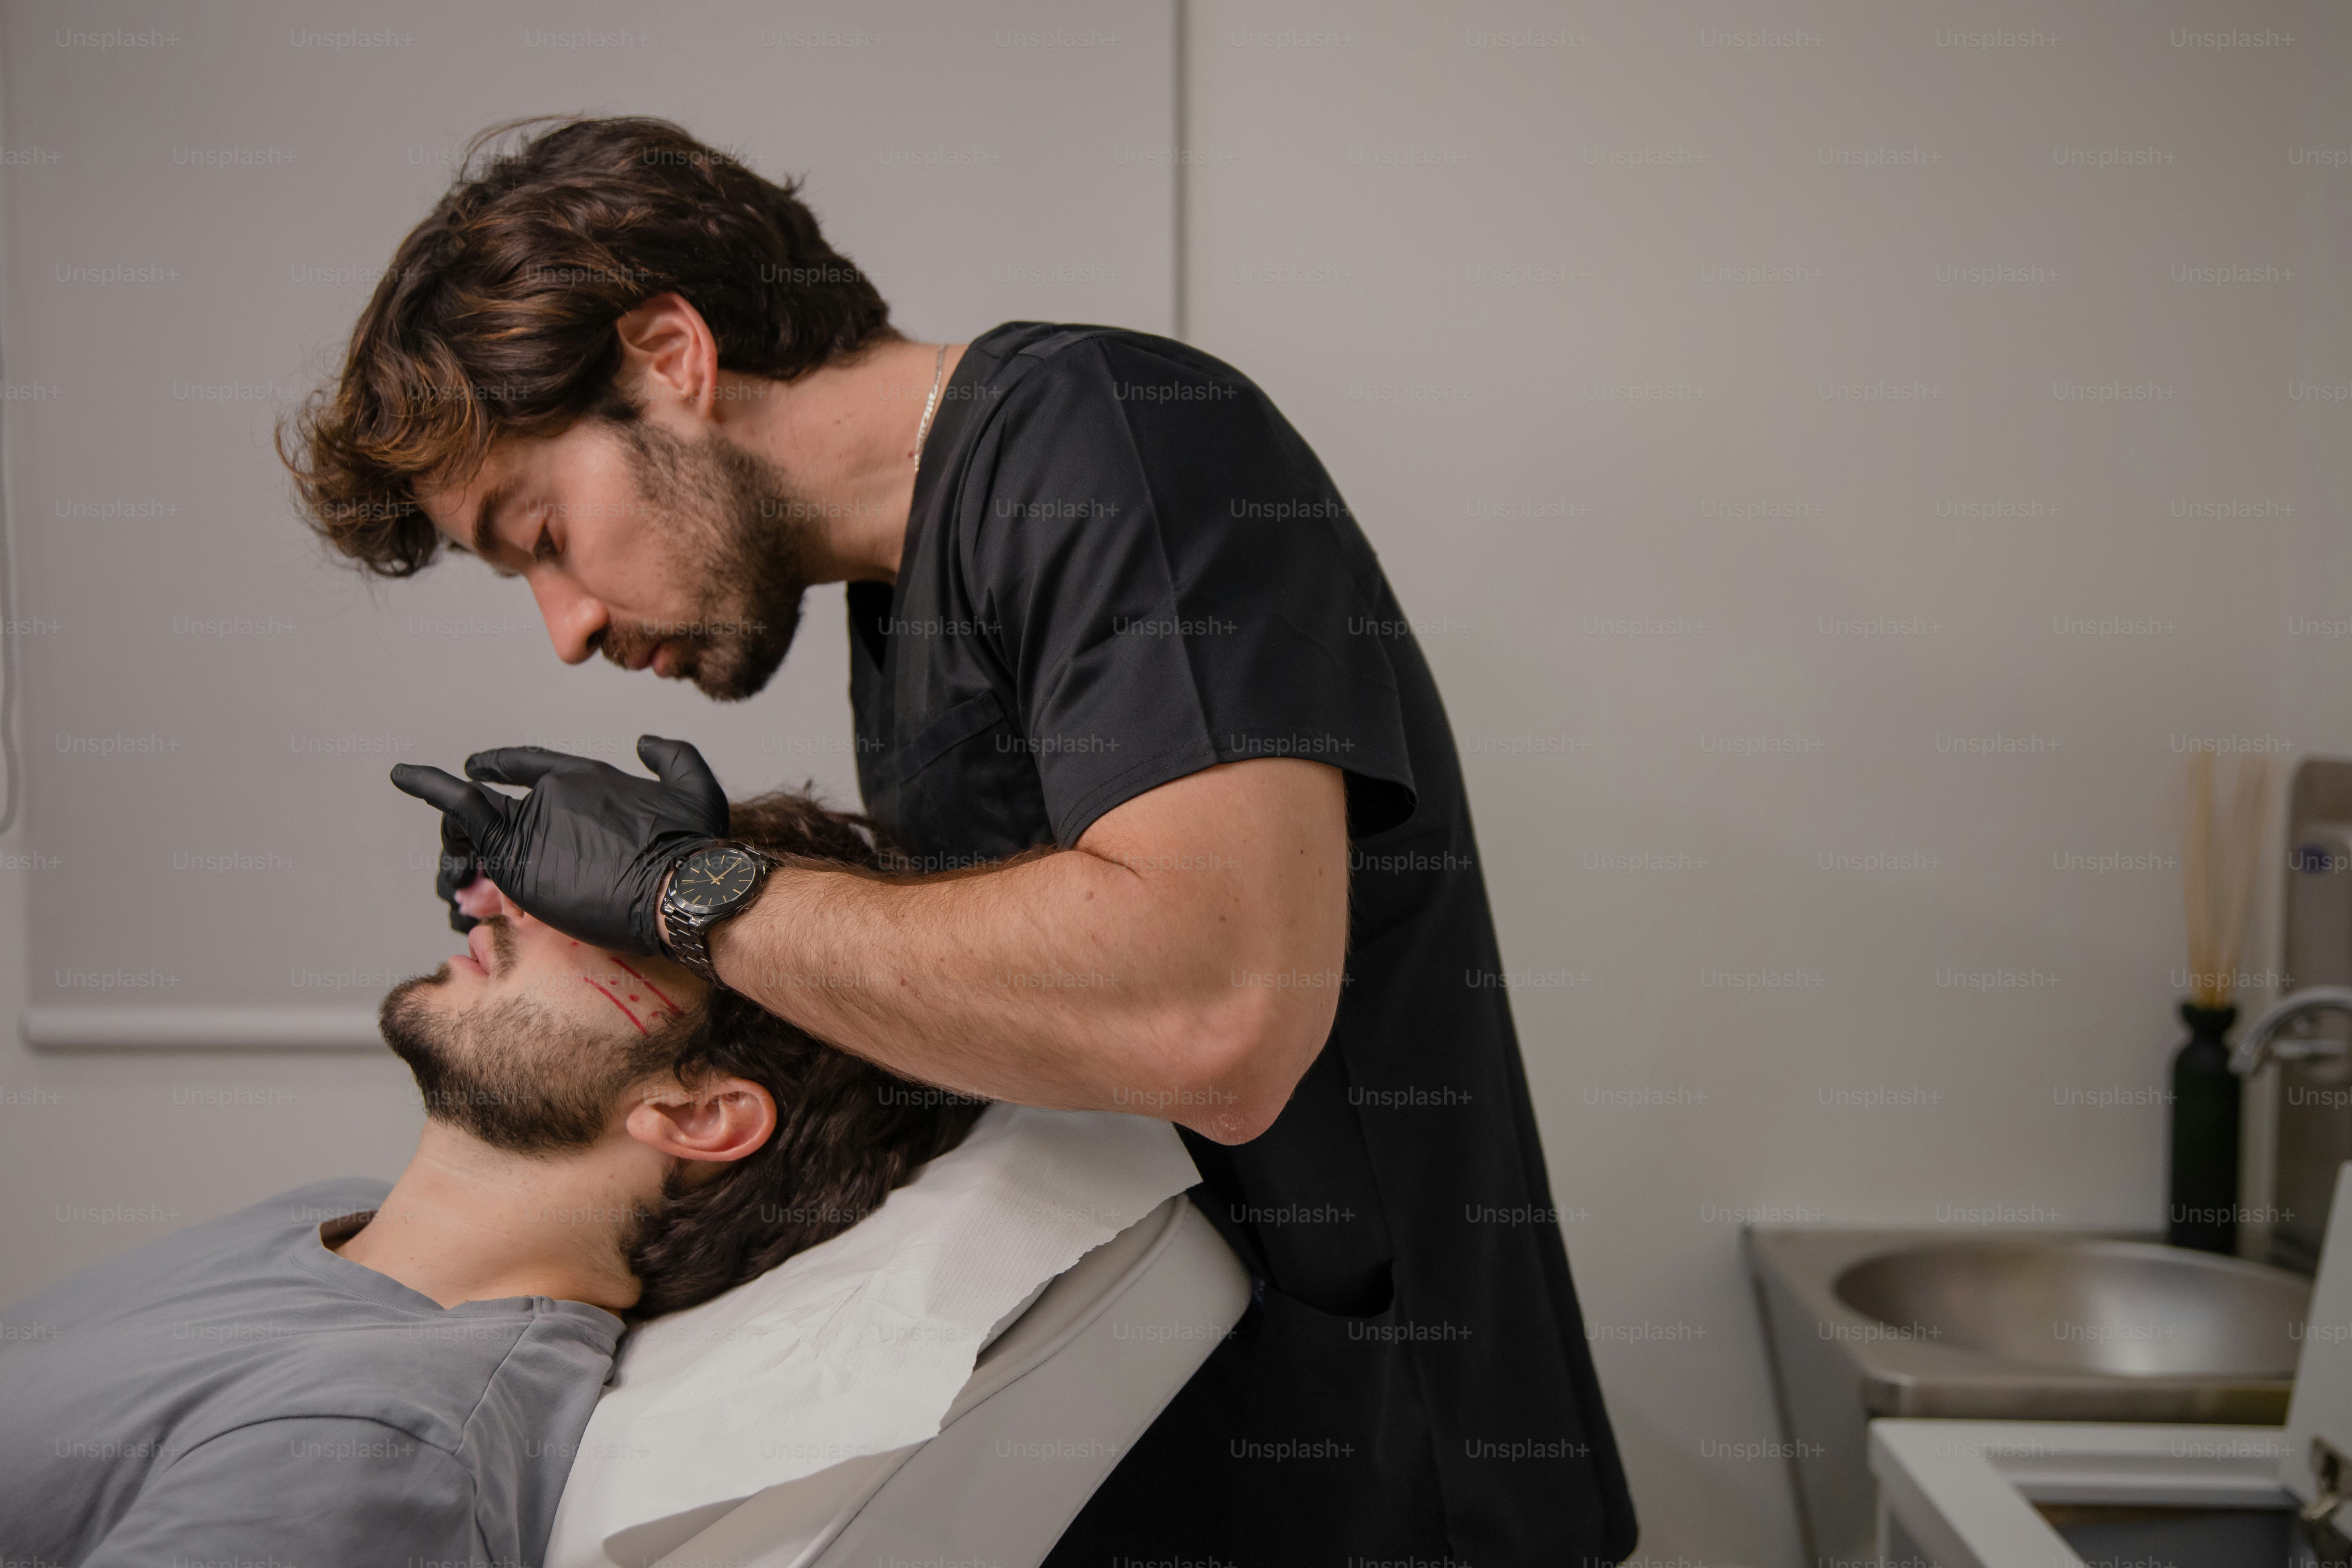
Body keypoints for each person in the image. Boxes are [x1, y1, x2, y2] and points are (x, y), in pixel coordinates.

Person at [285, 115, 1637, 1566]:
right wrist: (644, 912)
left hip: (1399, 1475)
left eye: (543, 535)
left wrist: (695, 891)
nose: (567, 630)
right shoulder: (896, 603)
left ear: (671, 355)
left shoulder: (1120, 440)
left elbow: (1213, 1014)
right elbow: (1023, 984)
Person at [0, 791, 981, 1568]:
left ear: (698, 1114)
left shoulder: (375, 1442)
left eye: (617, 917)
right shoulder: (322, 1216)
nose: (499, 898)